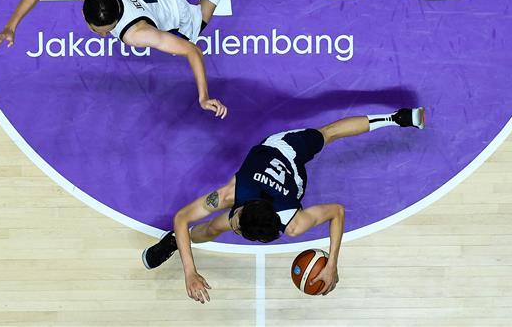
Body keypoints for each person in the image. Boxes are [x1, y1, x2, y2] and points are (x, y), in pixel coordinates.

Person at [141, 107, 427, 302]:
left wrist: (332, 263)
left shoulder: (292, 222)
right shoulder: (231, 193)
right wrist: (190, 272)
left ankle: (397, 118)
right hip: (276, 148)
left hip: (292, 159)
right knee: (215, 227)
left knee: (329, 134)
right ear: (241, 206)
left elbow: (337, 211)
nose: (235, 226)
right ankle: (174, 243)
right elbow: (181, 217)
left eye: (237, 229)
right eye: (237, 224)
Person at [0, 0, 258, 118]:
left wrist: (202, 97)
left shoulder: (136, 33)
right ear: (86, 6)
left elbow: (192, 51)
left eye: (105, 31)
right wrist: (10, 26)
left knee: (196, 26)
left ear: (116, 20)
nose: (103, 35)